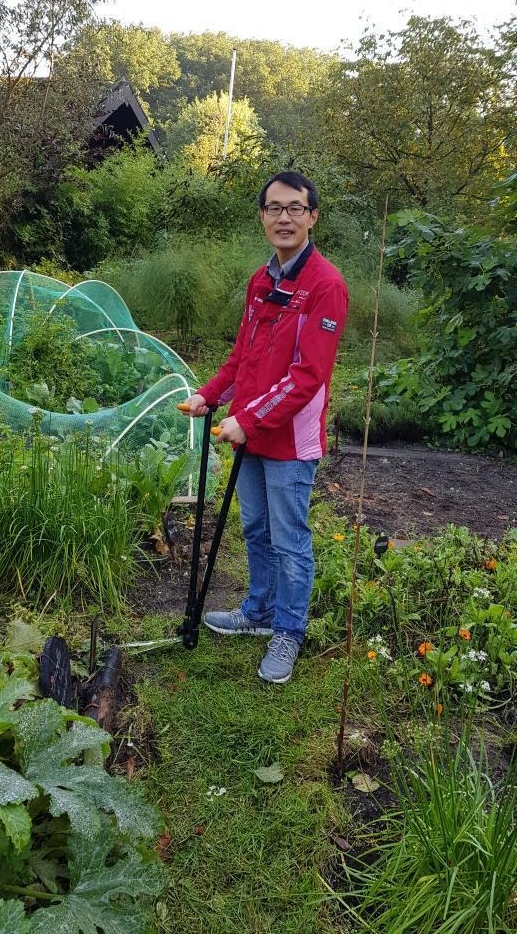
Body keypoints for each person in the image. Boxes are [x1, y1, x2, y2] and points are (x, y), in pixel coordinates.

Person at [186, 171, 348, 683]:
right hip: (248, 431)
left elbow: (308, 377)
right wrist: (210, 395)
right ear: (262, 217)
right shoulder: (262, 282)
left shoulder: (326, 285)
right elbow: (244, 357)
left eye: (295, 208)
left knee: (289, 538)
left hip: (289, 441)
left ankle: (289, 631)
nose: (284, 217)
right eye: (275, 208)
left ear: (312, 216)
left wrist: (248, 419)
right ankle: (258, 611)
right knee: (255, 527)